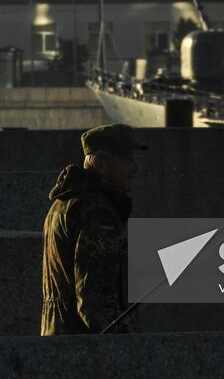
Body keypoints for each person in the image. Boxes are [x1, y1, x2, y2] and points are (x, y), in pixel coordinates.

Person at [41, 123, 148, 335]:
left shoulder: (63, 203)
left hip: (59, 336)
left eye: (137, 158)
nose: (137, 167)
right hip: (86, 348)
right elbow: (95, 301)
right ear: (101, 163)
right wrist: (128, 350)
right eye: (128, 159)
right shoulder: (97, 212)